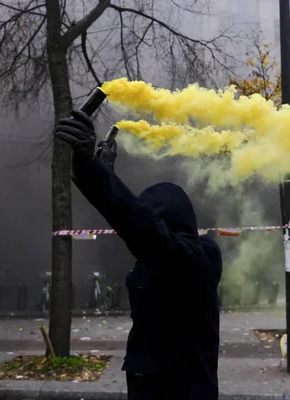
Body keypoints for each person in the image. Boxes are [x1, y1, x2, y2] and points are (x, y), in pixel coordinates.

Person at [55, 112, 223, 400]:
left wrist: (97, 176)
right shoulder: (157, 258)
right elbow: (138, 225)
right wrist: (102, 176)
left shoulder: (198, 257)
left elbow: (140, 225)